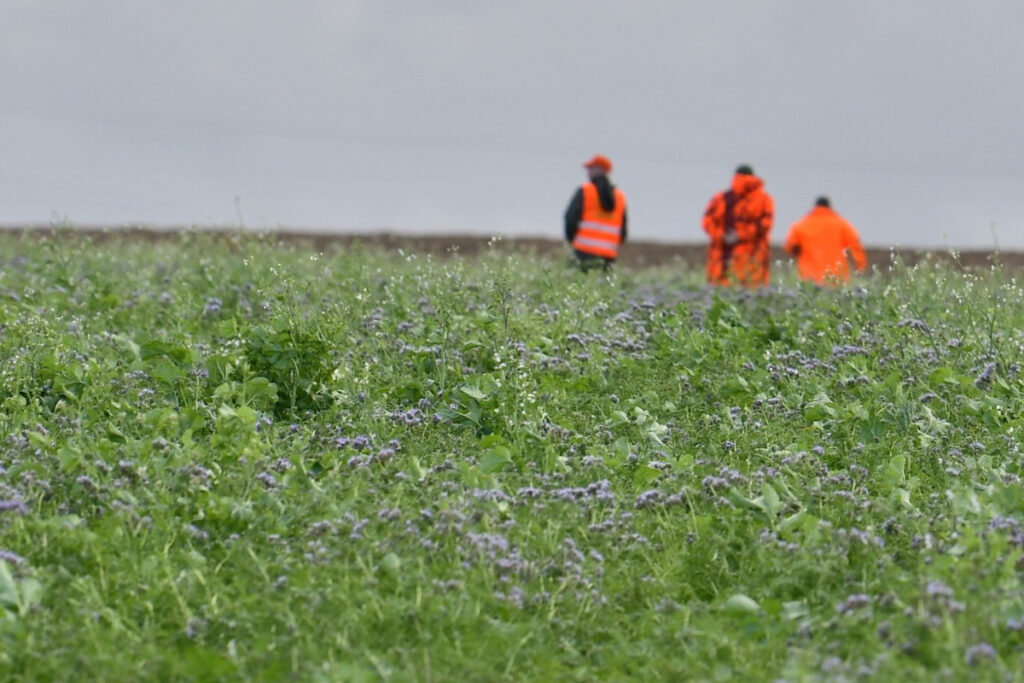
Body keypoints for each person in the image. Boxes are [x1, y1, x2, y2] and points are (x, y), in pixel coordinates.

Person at [702, 164, 774, 286]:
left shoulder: (720, 198)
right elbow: (765, 225)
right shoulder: (765, 200)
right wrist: (741, 235)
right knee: (753, 298)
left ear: (735, 176)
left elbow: (707, 221)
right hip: (753, 261)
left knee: (721, 297)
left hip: (722, 260)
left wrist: (722, 236)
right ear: (753, 176)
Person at [784, 196, 868, 285]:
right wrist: (860, 267)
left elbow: (790, 247)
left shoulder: (800, 225)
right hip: (836, 277)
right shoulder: (842, 225)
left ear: (815, 207)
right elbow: (856, 246)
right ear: (829, 207)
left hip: (809, 277)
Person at [564, 155, 627, 270]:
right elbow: (623, 230)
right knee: (602, 286)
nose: (588, 172)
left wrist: (574, 241)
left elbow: (570, 219)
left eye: (591, 168)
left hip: (583, 252)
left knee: (579, 285)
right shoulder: (620, 197)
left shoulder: (585, 190)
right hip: (608, 256)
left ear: (600, 169)